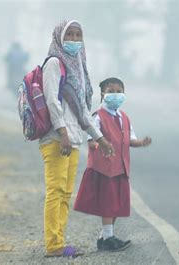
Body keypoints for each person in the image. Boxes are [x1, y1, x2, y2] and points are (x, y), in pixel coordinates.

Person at [39, 20, 114, 258]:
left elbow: (82, 109)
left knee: (65, 193)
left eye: (78, 34)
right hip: (57, 138)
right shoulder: (54, 63)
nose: (73, 39)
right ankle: (53, 245)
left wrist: (100, 138)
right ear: (59, 37)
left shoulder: (77, 66)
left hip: (72, 138)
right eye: (69, 34)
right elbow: (51, 100)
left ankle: (59, 242)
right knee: (56, 190)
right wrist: (62, 133)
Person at [74, 77, 152, 252]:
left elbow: (130, 139)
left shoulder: (124, 118)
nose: (115, 94)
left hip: (120, 168)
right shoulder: (98, 116)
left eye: (119, 91)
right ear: (102, 94)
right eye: (111, 91)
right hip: (104, 168)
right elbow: (91, 139)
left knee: (117, 203)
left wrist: (141, 143)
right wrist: (98, 145)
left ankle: (104, 237)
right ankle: (108, 238)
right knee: (108, 203)